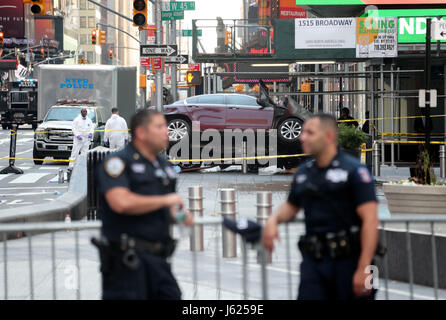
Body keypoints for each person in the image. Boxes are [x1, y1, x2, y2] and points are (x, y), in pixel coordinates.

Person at [262, 114, 379, 300]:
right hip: (314, 263)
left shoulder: (355, 171)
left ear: (329, 137)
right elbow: (291, 206)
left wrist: (364, 267)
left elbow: (370, 220)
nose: (302, 137)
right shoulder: (304, 173)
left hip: (351, 261)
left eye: (310, 132)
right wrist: (273, 219)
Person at [94, 109, 194, 300]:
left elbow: (169, 208)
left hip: (159, 260)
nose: (167, 131)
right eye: (159, 127)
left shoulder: (163, 165)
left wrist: (182, 216)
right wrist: (166, 201)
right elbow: (120, 202)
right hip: (126, 263)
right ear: (141, 132)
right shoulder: (117, 162)